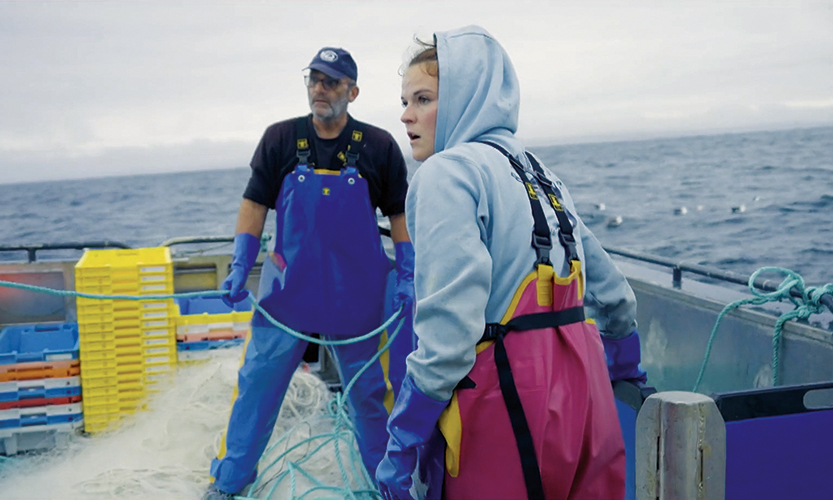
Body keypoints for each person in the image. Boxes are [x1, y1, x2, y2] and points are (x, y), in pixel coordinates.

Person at [376, 26, 647, 500]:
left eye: (423, 99)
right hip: (588, 402)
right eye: (405, 101)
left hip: (507, 404)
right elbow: (614, 295)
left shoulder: (446, 173)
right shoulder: (543, 175)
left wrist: (403, 441)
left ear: (464, 97)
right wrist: (626, 373)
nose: (405, 115)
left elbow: (449, 333)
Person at [206, 46, 414, 499]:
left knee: (372, 397)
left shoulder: (379, 146)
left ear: (352, 92)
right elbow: (254, 204)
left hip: (358, 299)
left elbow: (400, 214)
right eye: (315, 78)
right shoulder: (280, 139)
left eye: (332, 81)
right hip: (287, 297)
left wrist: (408, 273)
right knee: (256, 388)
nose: (320, 88)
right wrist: (240, 265)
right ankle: (227, 484)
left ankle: (389, 488)